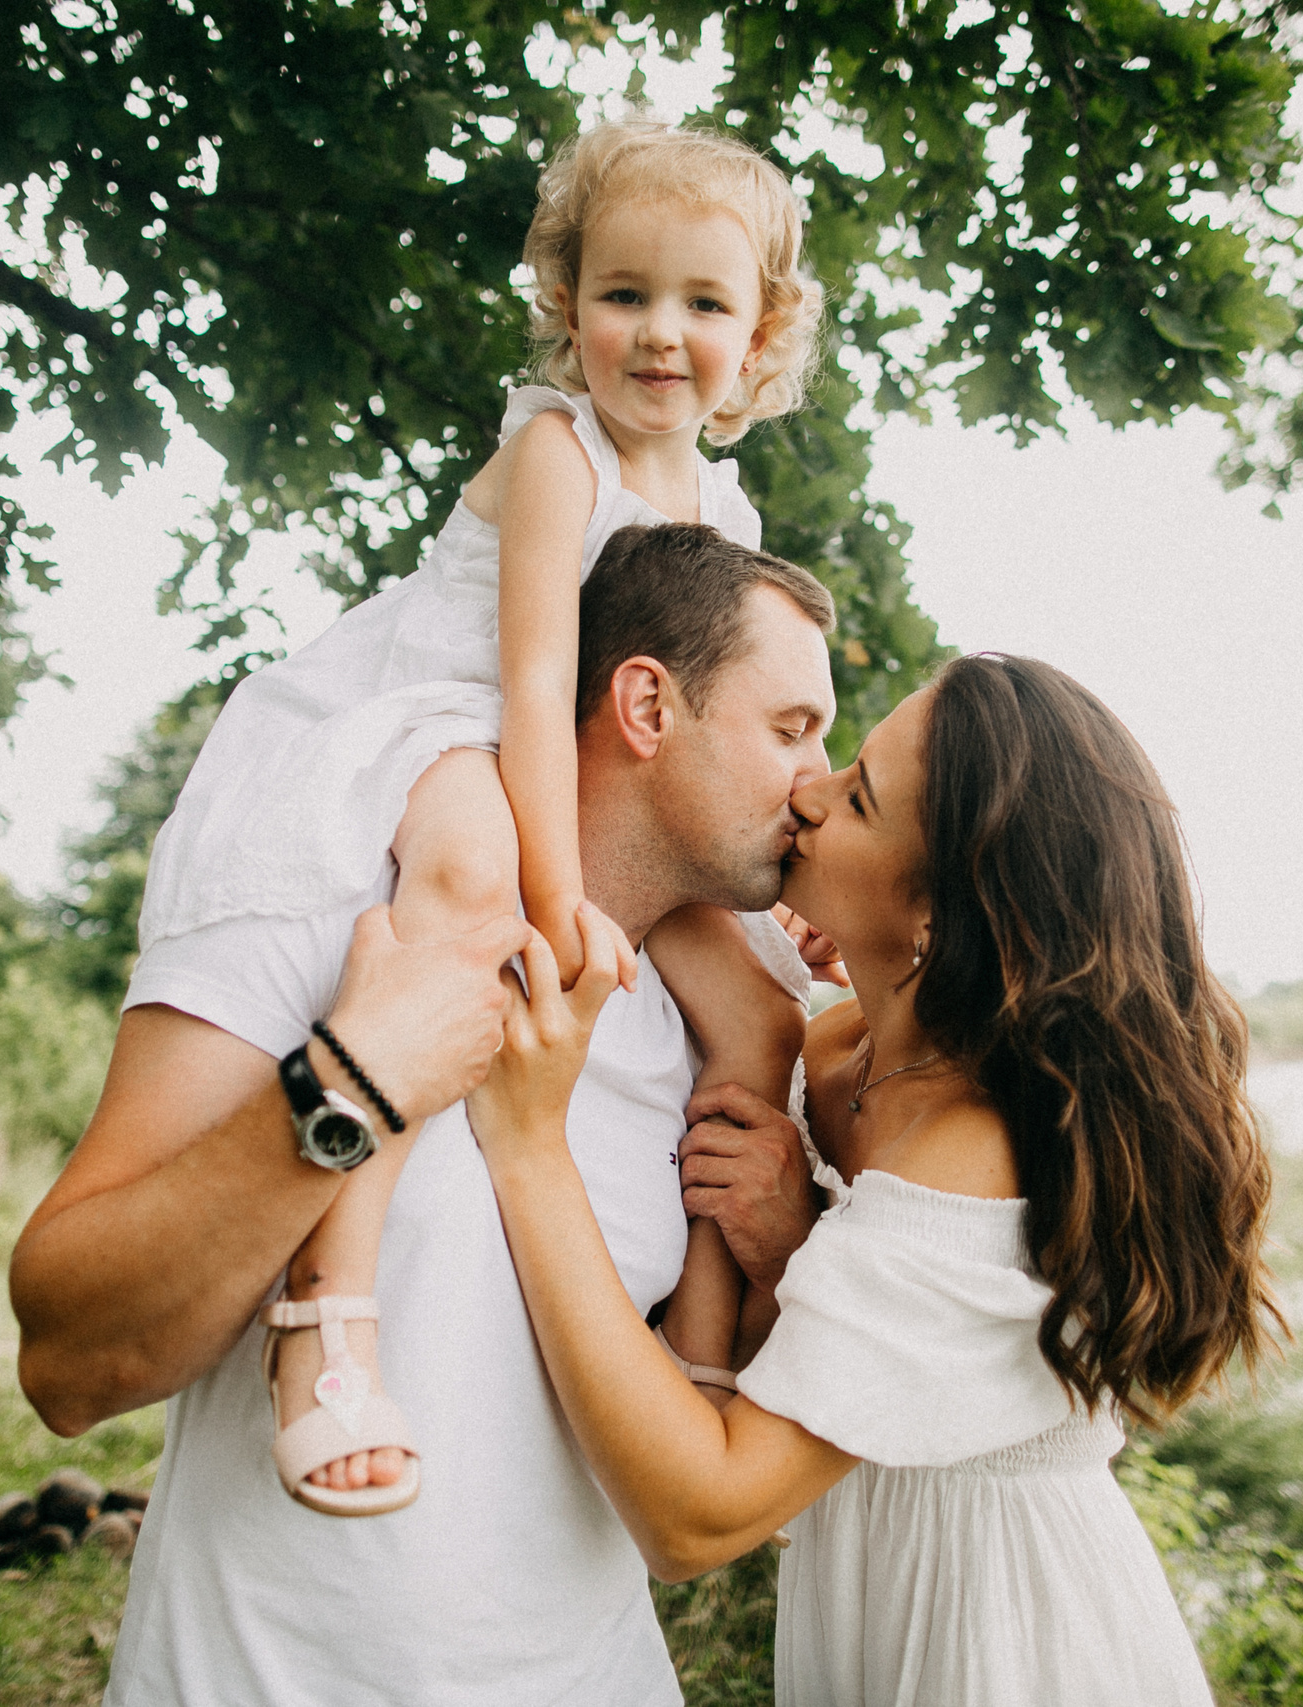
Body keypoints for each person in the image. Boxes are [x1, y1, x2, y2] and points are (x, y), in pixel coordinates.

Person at [10, 523, 839, 1705]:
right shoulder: (331, 909)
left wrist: (776, 1257)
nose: (815, 780)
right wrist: (347, 1084)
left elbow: (680, 1458)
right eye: (790, 729)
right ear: (647, 706)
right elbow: (67, 1360)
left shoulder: (720, 1047)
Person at [128, 118, 826, 1512]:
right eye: (623, 293)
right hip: (448, 714)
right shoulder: (562, 450)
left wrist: (796, 858)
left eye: (704, 302)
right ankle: (329, 1313)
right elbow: (524, 675)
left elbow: (736, 700)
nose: (659, 333)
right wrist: (555, 892)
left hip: (575, 748)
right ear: (567, 306)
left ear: (759, 337)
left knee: (763, 1014)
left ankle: (694, 1346)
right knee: (458, 883)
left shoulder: (724, 503)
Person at [468, 653, 1287, 1706]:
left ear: (939, 915)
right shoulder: (835, 1047)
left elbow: (698, 1519)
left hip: (1004, 1645)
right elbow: (649, 847)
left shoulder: (972, 1159)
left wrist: (529, 1144)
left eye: (855, 797)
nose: (805, 794)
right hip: (869, 1599)